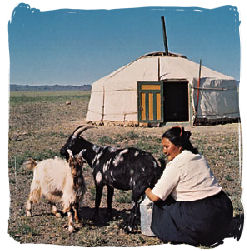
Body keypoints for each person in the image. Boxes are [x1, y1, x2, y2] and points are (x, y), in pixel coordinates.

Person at [145, 126, 233, 246]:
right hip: (222, 211)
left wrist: (147, 189)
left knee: (160, 205)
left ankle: (178, 234)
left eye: (166, 146)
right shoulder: (199, 157)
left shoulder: (176, 165)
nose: (164, 151)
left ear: (179, 147)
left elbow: (155, 196)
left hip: (202, 219)